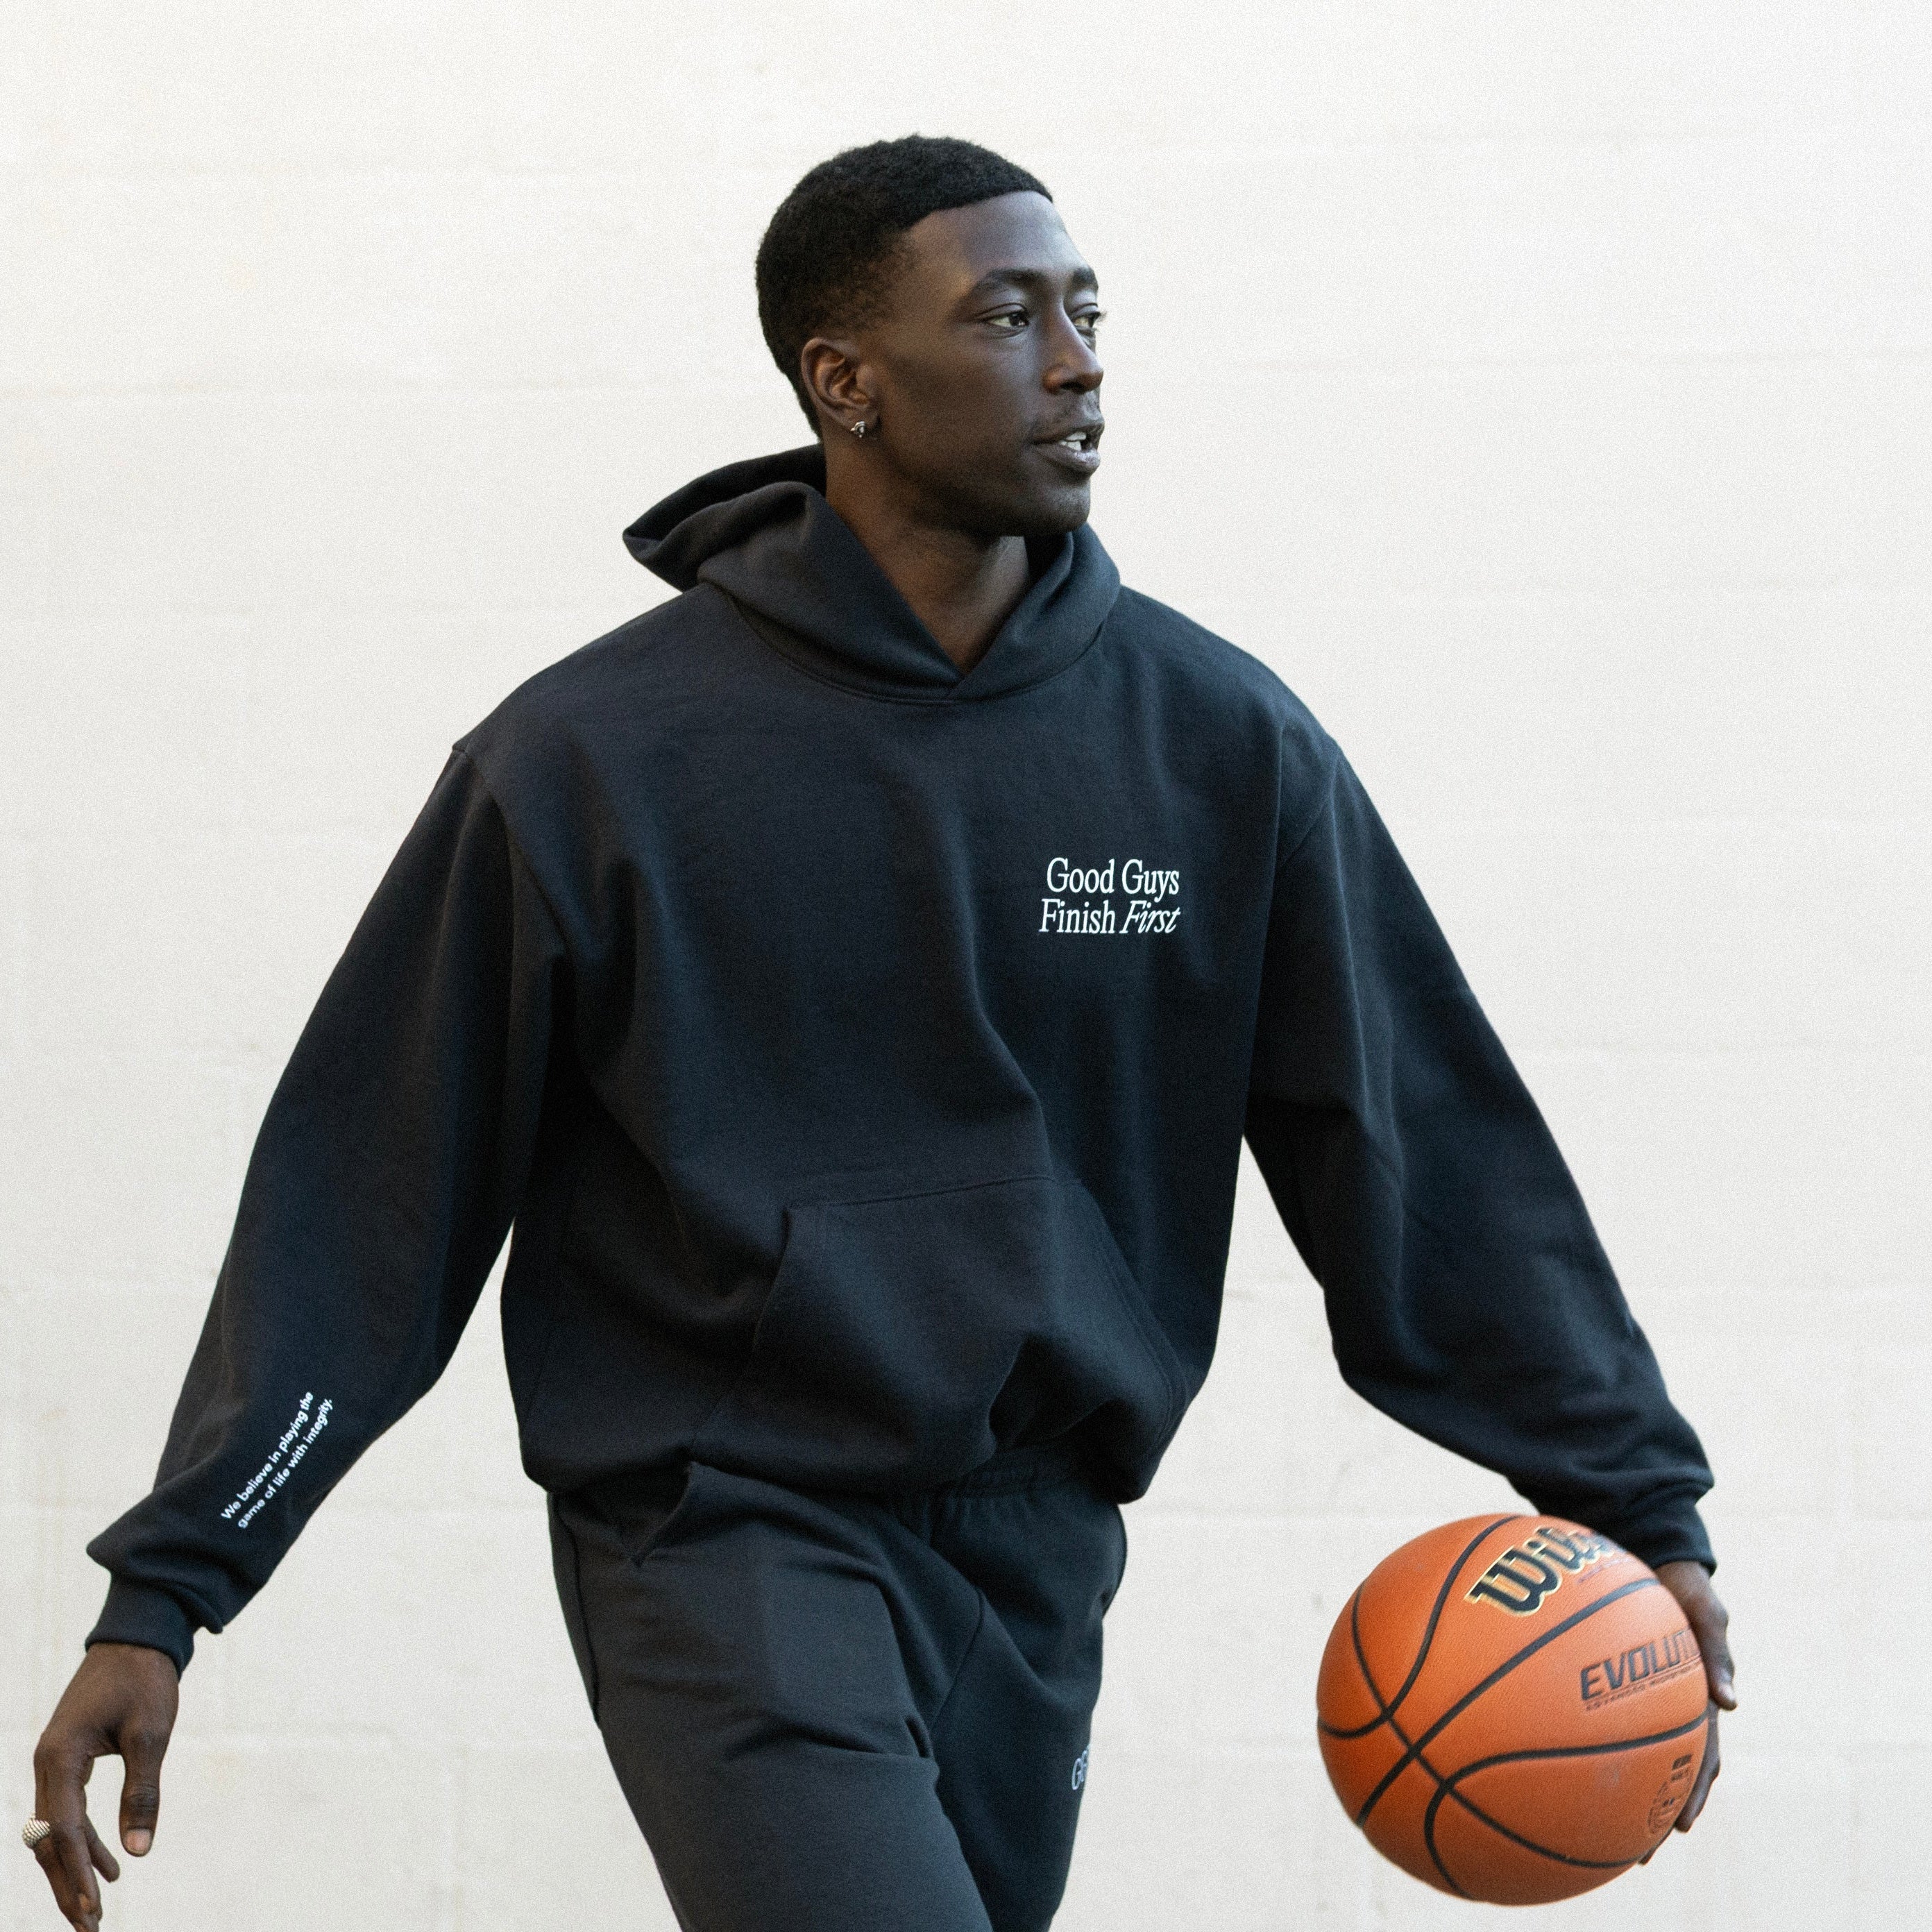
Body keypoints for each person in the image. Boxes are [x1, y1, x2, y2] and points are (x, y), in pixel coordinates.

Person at [28, 136, 1735, 1932]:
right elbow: (369, 1202)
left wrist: (1641, 1509)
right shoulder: (594, 767)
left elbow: (1426, 1162)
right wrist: (174, 1585)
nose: (1077, 361)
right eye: (1008, 316)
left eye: (1090, 313)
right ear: (841, 380)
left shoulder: (1221, 748)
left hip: (1039, 1542)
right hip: (724, 1531)